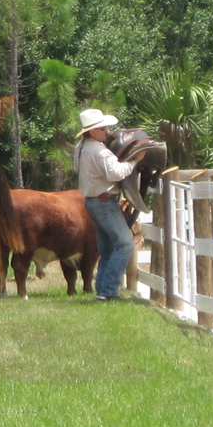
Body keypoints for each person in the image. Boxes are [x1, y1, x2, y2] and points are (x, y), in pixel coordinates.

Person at [75, 108, 136, 302]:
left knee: (108, 247)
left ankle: (102, 289)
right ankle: (108, 289)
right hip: (104, 202)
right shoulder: (100, 152)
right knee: (125, 244)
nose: (107, 131)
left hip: (92, 201)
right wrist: (134, 163)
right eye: (103, 128)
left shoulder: (81, 147)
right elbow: (116, 173)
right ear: (93, 132)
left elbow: (77, 168)